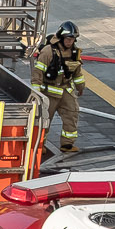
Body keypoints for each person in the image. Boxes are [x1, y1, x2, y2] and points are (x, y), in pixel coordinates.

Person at [39, 22, 84, 156]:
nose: (70, 42)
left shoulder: (75, 52)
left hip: (65, 91)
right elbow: (37, 73)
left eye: (73, 39)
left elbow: (77, 73)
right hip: (49, 92)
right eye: (68, 39)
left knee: (72, 114)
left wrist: (81, 87)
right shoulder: (48, 51)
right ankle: (40, 145)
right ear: (61, 37)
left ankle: (67, 144)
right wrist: (36, 92)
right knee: (44, 119)